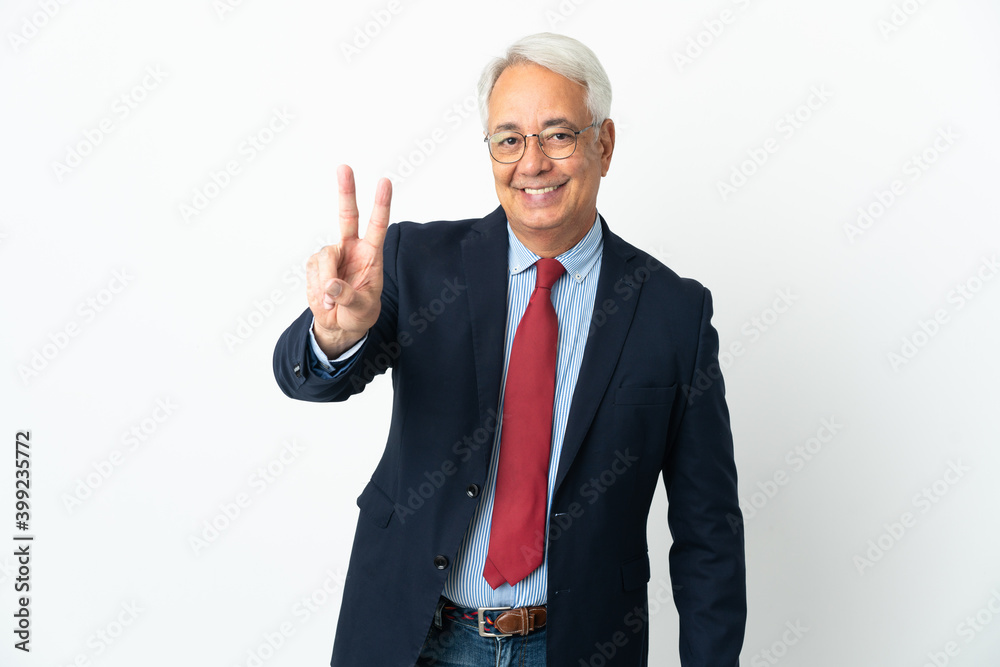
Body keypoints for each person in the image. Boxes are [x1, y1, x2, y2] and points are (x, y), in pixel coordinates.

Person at [273, 32, 746, 667]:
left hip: (576, 645)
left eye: (559, 135)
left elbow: (708, 530)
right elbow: (308, 379)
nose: (533, 163)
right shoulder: (418, 265)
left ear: (603, 145)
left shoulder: (673, 313)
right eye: (509, 139)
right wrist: (335, 335)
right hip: (412, 636)